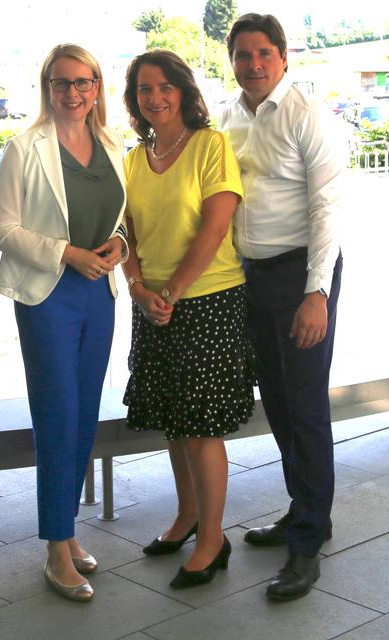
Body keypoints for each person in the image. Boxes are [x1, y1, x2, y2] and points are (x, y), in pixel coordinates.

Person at [0, 43, 127, 602]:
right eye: (62, 82)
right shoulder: (25, 148)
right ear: (47, 88)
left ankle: (67, 534)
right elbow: (2, 229)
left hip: (100, 294)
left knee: (86, 415)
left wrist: (118, 242)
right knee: (57, 415)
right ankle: (55, 547)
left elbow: (122, 217)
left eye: (84, 82)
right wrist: (67, 252)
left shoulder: (114, 146)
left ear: (97, 87)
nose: (73, 93)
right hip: (47, 294)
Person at [220, 13, 345, 601]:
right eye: (243, 54)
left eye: (263, 53)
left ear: (285, 56)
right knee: (276, 401)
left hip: (302, 276)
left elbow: (327, 209)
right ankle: (303, 510)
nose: (253, 64)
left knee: (304, 404)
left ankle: (307, 542)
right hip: (253, 279)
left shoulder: (306, 114)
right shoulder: (228, 117)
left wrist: (316, 293)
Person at [121, 49, 255, 590]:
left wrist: (172, 290)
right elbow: (123, 230)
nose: (154, 98)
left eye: (163, 87)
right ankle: (186, 515)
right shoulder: (133, 157)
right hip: (154, 304)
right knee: (175, 424)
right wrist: (137, 288)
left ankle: (212, 539)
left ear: (183, 90)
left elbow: (216, 227)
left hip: (208, 300)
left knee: (201, 428)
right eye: (143, 90)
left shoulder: (210, 145)